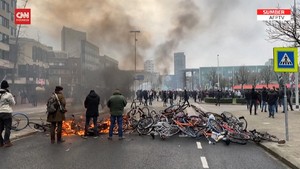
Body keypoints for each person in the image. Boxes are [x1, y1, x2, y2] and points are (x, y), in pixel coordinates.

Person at [0, 80, 16, 147]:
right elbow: (13, 103)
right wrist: (12, 98)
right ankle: (7, 142)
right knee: (7, 128)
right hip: (6, 112)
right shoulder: (8, 94)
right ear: (7, 87)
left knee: (0, 128)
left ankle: (0, 143)